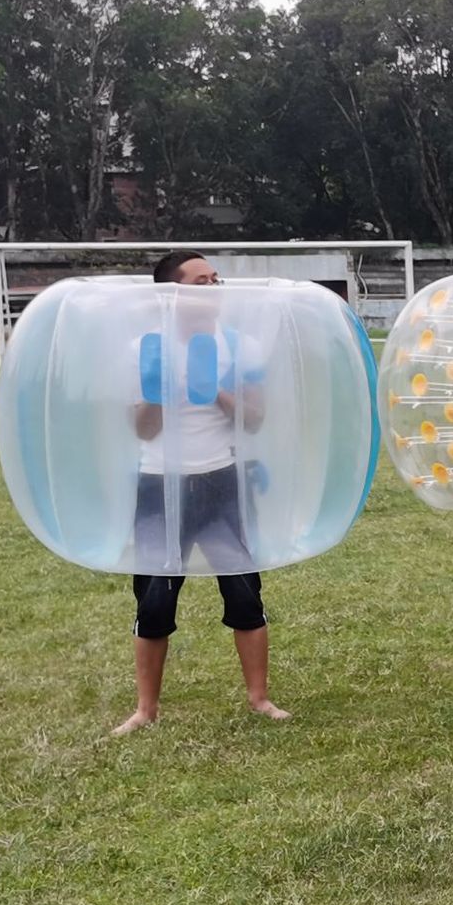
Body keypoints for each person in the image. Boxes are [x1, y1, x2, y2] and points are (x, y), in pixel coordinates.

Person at [115, 250, 288, 735]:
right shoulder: (143, 349)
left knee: (244, 593)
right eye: (201, 281)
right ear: (171, 293)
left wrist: (214, 390)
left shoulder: (239, 345)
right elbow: (143, 431)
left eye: (216, 279)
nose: (213, 288)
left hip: (221, 482)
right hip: (158, 485)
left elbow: (255, 419)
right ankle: (146, 709)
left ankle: (259, 698)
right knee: (154, 600)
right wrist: (163, 390)